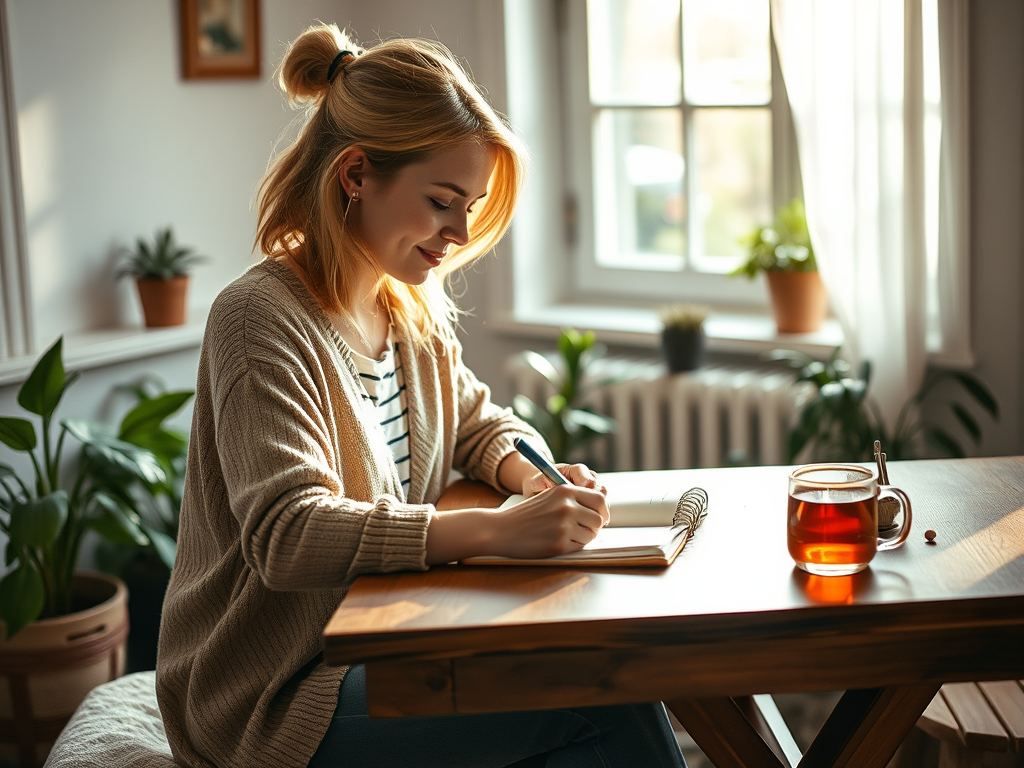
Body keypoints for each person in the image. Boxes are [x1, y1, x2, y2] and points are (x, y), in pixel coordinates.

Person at [155, 23, 687, 768]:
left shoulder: (407, 306)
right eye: (443, 201)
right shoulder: (257, 320)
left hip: (392, 632)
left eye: (467, 205)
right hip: (277, 696)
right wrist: (496, 532)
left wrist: (535, 476)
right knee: (606, 693)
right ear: (355, 175)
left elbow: (474, 422)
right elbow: (286, 534)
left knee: (605, 680)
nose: (459, 231)